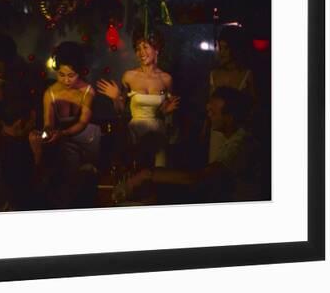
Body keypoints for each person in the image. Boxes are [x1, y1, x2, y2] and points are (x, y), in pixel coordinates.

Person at [125, 87, 266, 203]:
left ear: (229, 117)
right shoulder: (234, 138)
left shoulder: (241, 144)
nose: (209, 116)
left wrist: (148, 174)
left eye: (213, 112)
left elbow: (196, 178)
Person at [97, 28, 179, 167]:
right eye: (137, 49)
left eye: (145, 47)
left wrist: (166, 113)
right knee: (136, 173)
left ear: (156, 49)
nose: (141, 53)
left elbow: (169, 113)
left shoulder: (166, 79)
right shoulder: (129, 76)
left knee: (159, 174)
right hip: (135, 132)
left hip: (158, 133)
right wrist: (116, 98)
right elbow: (120, 111)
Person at [33, 41, 100, 208]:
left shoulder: (88, 91)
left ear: (79, 72)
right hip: (62, 139)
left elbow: (83, 122)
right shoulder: (50, 93)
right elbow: (48, 123)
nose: (66, 80)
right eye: (61, 74)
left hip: (86, 136)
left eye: (71, 75)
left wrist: (63, 134)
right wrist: (49, 132)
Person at [206, 26, 256, 163]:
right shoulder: (214, 74)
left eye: (226, 48)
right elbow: (210, 106)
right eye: (220, 48)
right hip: (217, 133)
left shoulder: (247, 75)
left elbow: (254, 108)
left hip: (238, 133)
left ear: (236, 49)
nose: (222, 53)